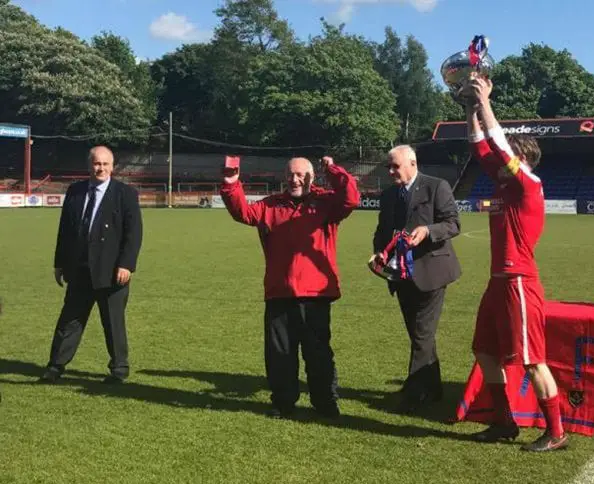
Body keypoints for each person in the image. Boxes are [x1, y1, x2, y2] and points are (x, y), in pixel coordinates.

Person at [463, 77, 568, 452]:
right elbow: (479, 145)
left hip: (520, 281)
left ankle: (556, 431)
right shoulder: (505, 187)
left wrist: (486, 101)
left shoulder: (528, 185)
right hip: (498, 281)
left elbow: (497, 143)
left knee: (530, 359)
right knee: (485, 351)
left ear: (520, 160)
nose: (498, 162)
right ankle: (504, 422)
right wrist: (470, 107)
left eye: (506, 158)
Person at [220, 156, 359, 419]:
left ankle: (325, 402)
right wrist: (231, 183)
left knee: (318, 353)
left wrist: (333, 169)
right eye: (290, 174)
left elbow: (351, 197)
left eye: (300, 175)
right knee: (279, 354)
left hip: (316, 294)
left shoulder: (326, 203)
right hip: (279, 292)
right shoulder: (272, 205)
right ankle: (283, 401)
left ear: (311, 177)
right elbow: (243, 212)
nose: (294, 179)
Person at [40, 146, 143, 384]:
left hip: (112, 272)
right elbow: (65, 230)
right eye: (97, 164)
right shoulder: (75, 192)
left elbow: (134, 233)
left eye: (106, 164)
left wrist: (127, 264)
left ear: (112, 167)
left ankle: (119, 369)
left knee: (113, 323)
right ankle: (55, 366)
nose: (101, 168)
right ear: (89, 165)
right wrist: (59, 263)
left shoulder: (125, 193)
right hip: (79, 269)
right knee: (69, 321)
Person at [372, 145, 461, 412]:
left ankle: (414, 393)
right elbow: (382, 230)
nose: (390, 171)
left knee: (422, 334)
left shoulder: (436, 187)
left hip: (431, 273)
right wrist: (379, 252)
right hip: (401, 275)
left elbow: (453, 223)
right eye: (388, 166)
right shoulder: (389, 195)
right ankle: (433, 389)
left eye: (395, 166)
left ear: (412, 163)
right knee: (419, 334)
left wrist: (428, 230)